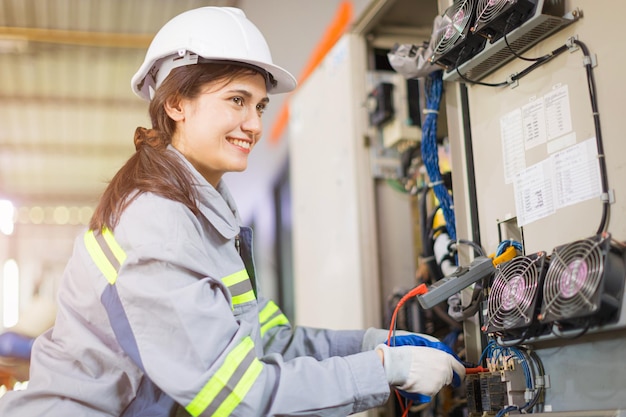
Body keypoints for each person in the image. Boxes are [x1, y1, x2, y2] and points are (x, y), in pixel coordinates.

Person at [0, 7, 465, 416]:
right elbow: (237, 397)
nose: (255, 125)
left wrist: (370, 346)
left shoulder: (204, 209)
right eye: (236, 101)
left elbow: (269, 343)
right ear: (176, 103)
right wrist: (379, 372)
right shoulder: (157, 225)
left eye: (260, 105)